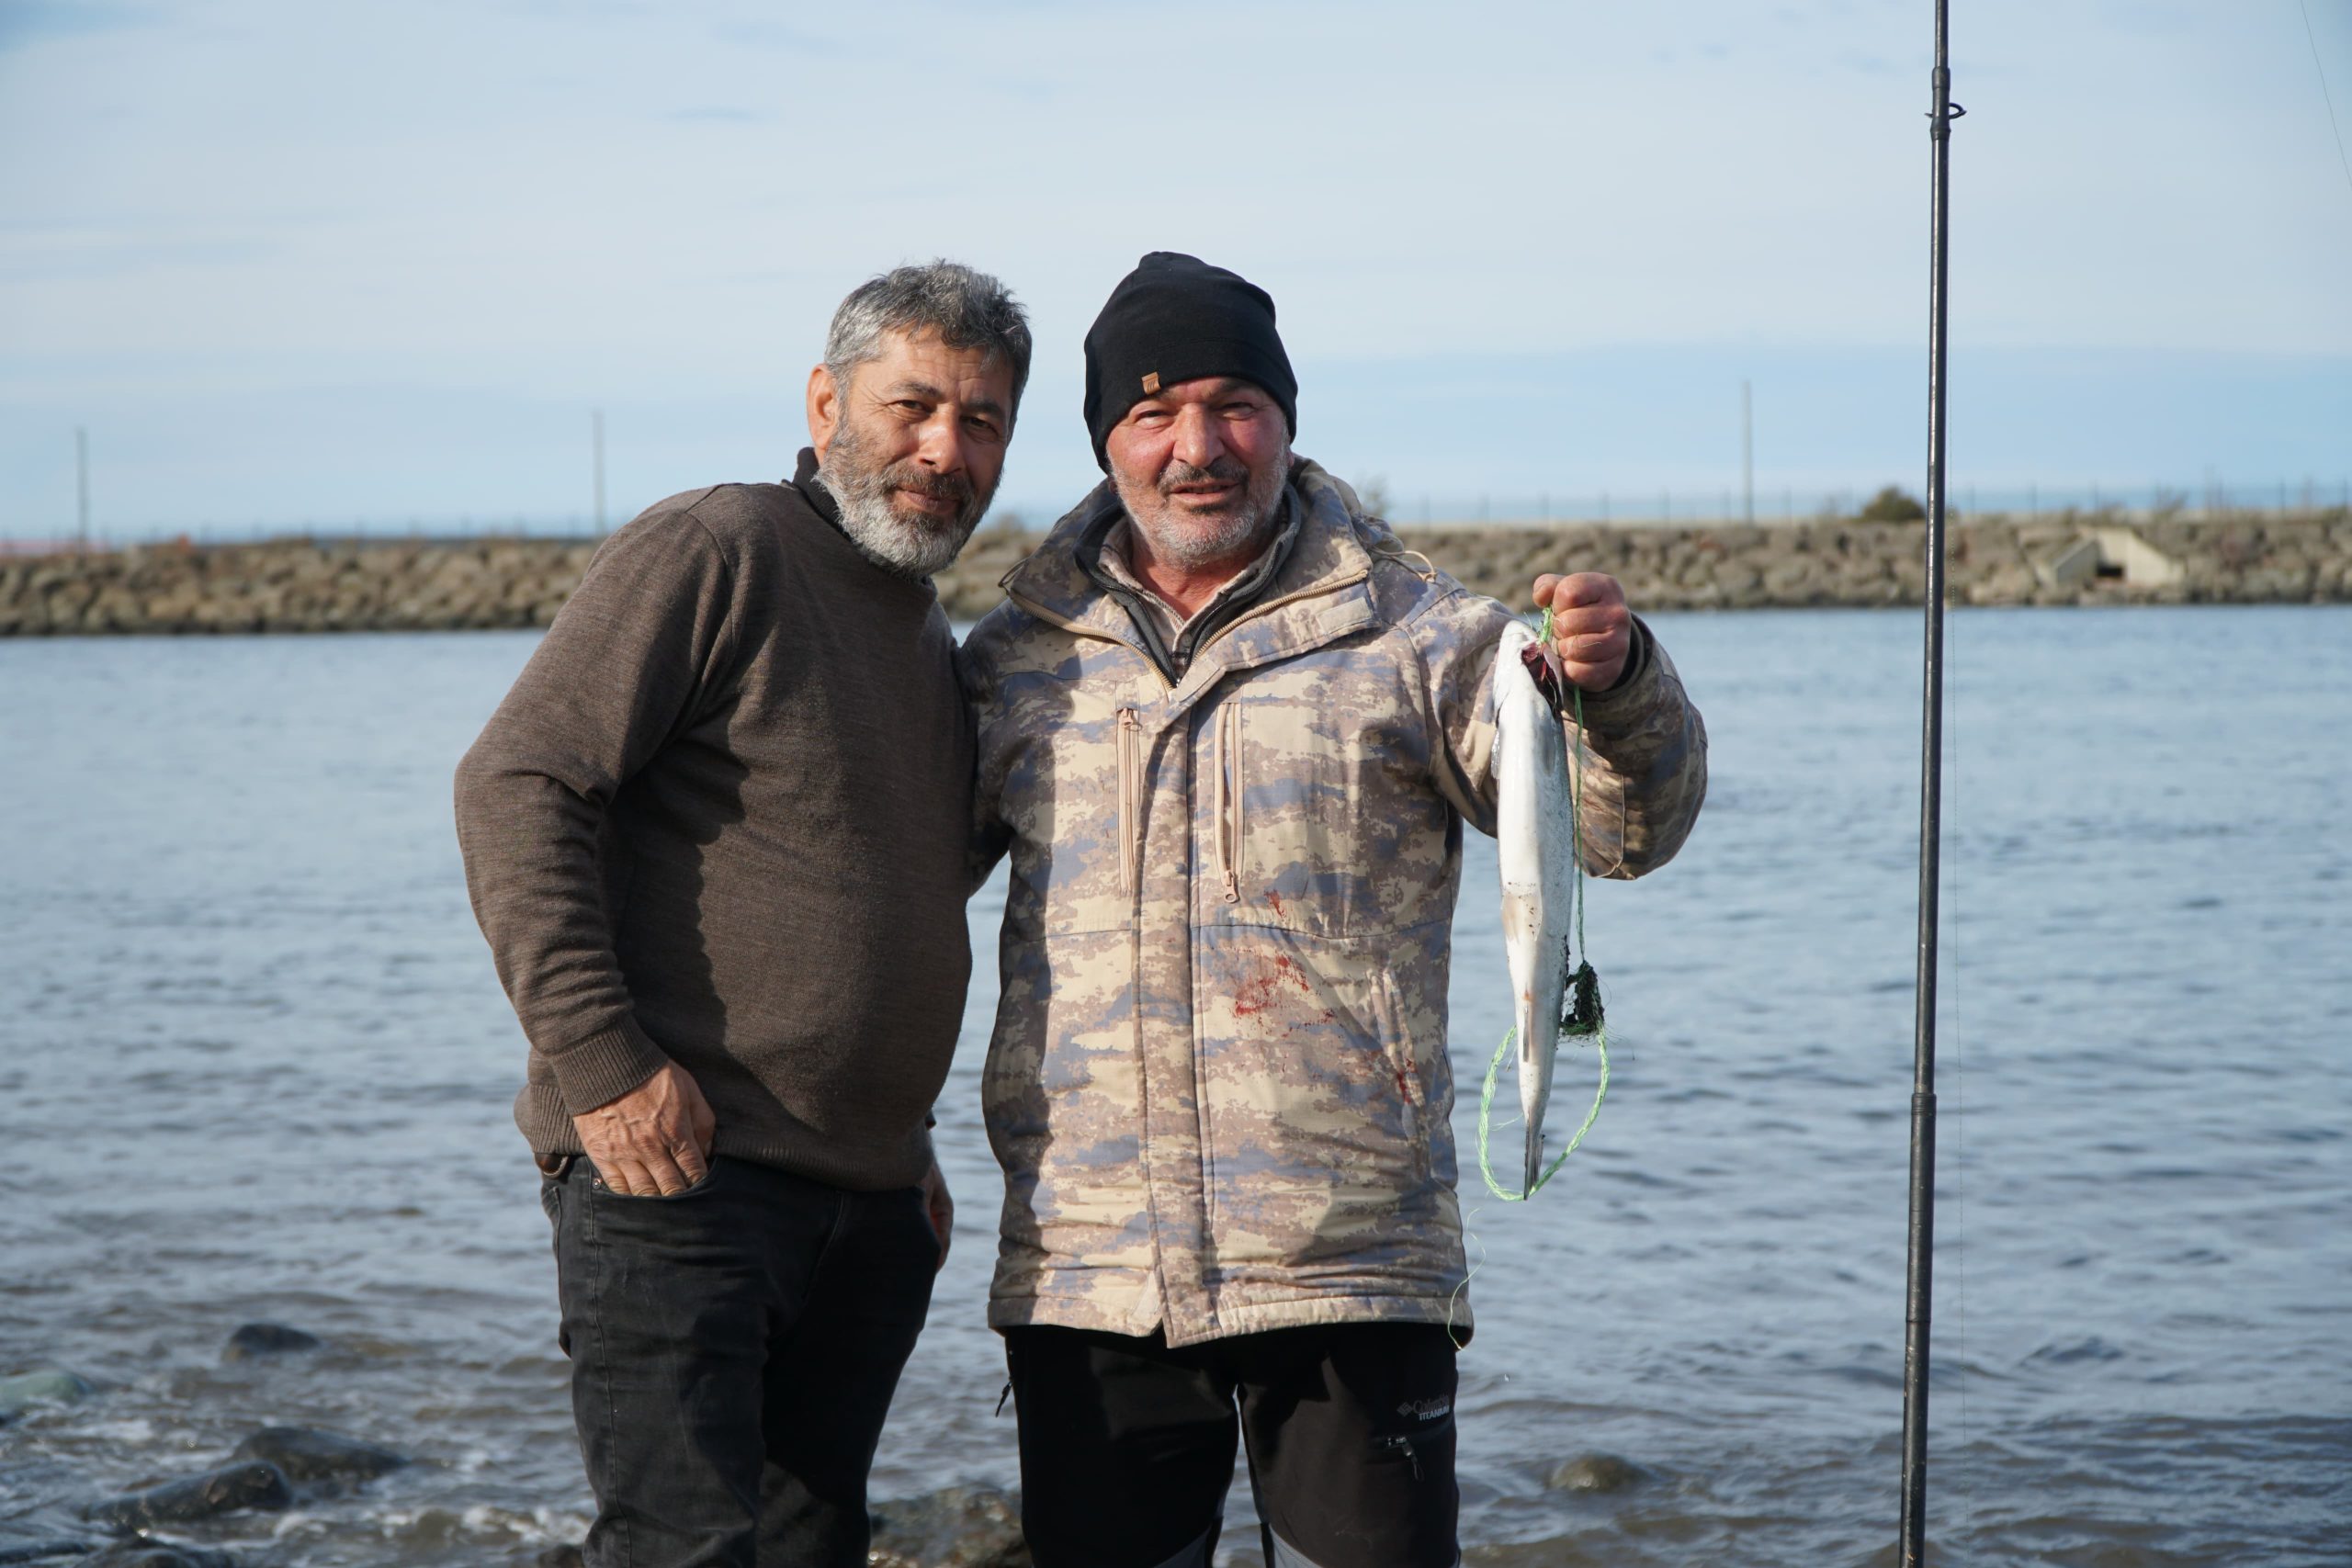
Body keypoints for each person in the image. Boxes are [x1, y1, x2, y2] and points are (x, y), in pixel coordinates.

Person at [960, 253, 1708, 1568]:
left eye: (1234, 402)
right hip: (1088, 1270)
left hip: (1352, 1266)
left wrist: (1621, 683)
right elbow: (887, 900)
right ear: (1106, 441)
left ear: (1287, 418)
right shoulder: (1015, 657)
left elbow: (1620, 831)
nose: (1200, 445)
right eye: (1154, 411)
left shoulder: (1431, 636)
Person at [454, 260, 1030, 1568]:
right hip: (680, 1179)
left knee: (809, 1545)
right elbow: (519, 784)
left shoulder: (923, 629)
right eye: (914, 406)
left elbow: (879, 893)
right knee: (683, 1549)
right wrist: (605, 1067)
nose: (945, 449)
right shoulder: (721, 546)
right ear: (827, 400)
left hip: (866, 1207)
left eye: (983, 419)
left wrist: (905, 1142)